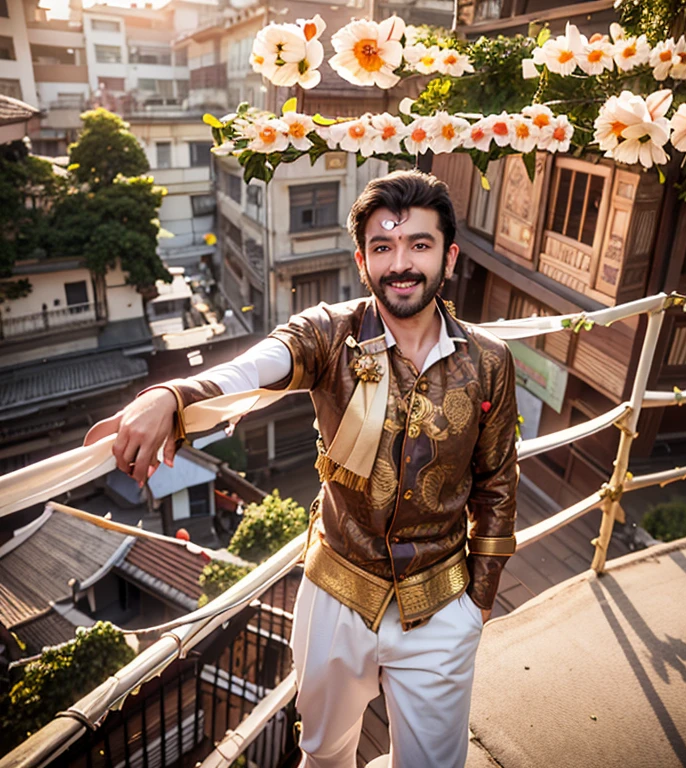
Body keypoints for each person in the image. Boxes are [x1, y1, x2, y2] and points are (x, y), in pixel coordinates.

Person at [85, 170, 519, 768]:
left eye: (419, 245)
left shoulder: (491, 362)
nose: (401, 264)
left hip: (443, 603)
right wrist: (176, 394)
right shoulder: (330, 333)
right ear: (363, 261)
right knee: (323, 752)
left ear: (449, 256)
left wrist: (480, 602)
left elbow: (497, 482)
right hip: (334, 596)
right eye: (382, 247)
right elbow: (253, 366)